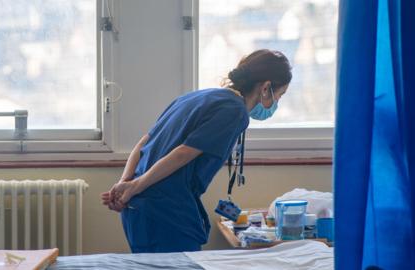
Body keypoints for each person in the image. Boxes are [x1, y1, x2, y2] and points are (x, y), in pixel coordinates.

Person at [101, 49, 292, 253]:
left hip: (137, 209)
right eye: (280, 95)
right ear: (266, 88)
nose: (277, 103)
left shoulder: (195, 97)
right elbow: (184, 153)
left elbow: (144, 142)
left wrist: (126, 183)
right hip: (166, 210)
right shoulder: (235, 111)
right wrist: (134, 186)